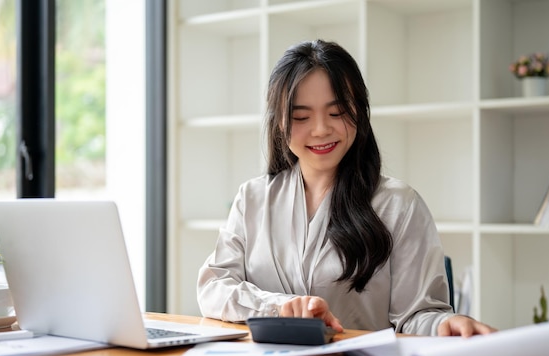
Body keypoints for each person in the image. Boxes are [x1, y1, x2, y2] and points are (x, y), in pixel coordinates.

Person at [197, 39, 496, 337]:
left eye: (337, 112)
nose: (320, 129)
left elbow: (418, 316)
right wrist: (279, 306)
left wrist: (445, 324)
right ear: (280, 124)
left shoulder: (399, 206)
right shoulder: (252, 198)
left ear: (359, 111)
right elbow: (213, 285)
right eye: (302, 116)